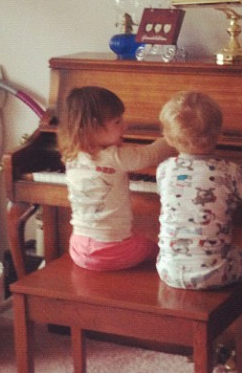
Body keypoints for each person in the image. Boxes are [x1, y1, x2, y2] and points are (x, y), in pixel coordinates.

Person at [156, 91, 242, 332]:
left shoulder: (164, 169)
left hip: (168, 269)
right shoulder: (230, 171)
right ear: (219, 134)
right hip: (213, 271)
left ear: (169, 138)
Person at [57, 86, 176, 271]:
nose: (125, 126)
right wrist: (175, 135)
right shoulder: (115, 156)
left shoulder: (72, 155)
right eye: (117, 122)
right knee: (158, 250)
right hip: (111, 252)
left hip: (78, 248)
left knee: (133, 238)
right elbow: (151, 154)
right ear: (93, 127)